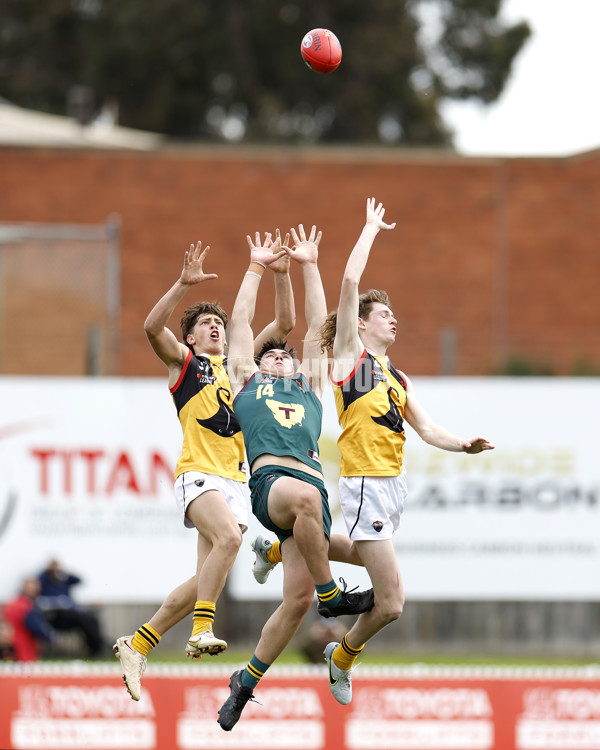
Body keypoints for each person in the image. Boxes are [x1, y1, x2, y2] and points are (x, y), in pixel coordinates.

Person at [314, 197, 494, 705]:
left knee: (360, 562)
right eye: (384, 314)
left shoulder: (397, 375)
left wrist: (463, 445)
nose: (394, 320)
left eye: (394, 315)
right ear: (363, 324)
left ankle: (289, 544)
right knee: (391, 602)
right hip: (365, 481)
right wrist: (369, 229)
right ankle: (342, 658)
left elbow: (426, 427)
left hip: (392, 486)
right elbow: (349, 284)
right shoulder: (351, 357)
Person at [113, 237, 295, 701]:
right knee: (231, 542)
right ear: (191, 337)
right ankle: (200, 631)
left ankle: (137, 645)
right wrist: (181, 283)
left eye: (220, 321)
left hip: (235, 483)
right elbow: (152, 327)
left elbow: (287, 322)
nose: (216, 327)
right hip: (199, 474)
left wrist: (280, 274)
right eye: (206, 324)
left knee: (204, 582)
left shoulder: (241, 365)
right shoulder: (187, 363)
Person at [217, 225, 374, 732]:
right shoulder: (247, 381)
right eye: (271, 354)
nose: (279, 356)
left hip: (312, 502)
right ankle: (332, 594)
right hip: (275, 488)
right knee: (307, 504)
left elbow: (316, 325)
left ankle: (245, 682)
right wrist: (256, 266)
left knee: (297, 601)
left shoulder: (309, 386)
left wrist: (308, 264)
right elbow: (240, 321)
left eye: (284, 354)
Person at [37, 558, 104, 657]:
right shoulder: (45, 581)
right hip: (57, 616)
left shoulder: (63, 580)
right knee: (84, 618)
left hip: (71, 615)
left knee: (91, 619)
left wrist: (63, 572)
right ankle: (97, 649)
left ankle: (94, 648)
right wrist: (48, 571)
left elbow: (78, 580)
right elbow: (38, 584)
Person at [3, 577, 56, 661]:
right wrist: (50, 636)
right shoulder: (27, 606)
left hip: (10, 648)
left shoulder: (12, 604)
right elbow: (37, 628)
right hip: (25, 650)